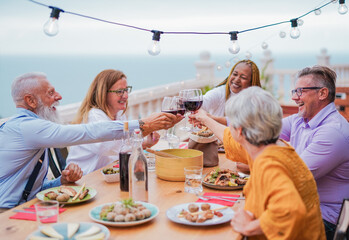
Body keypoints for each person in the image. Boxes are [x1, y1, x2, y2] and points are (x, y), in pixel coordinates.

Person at [0, 72, 180, 211]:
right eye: (51, 92)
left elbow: (32, 189)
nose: (59, 96)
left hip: (30, 206)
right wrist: (143, 124)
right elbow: (89, 132)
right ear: (30, 100)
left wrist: (60, 181)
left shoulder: (31, 130)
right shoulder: (27, 127)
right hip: (7, 214)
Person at [193, 87, 325, 239]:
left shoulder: (269, 163)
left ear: (240, 130)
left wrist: (249, 228)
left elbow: (292, 210)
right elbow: (230, 138)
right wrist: (204, 119)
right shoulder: (270, 146)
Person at [280, 65, 349, 240]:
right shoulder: (301, 119)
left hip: (324, 219)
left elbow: (292, 177)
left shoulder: (332, 132)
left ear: (322, 93)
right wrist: (212, 120)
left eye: (301, 91)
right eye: (295, 91)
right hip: (302, 204)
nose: (295, 97)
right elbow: (263, 128)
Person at [66, 69, 160, 175]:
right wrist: (145, 128)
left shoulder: (119, 114)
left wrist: (145, 143)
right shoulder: (94, 117)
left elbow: (124, 145)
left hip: (104, 175)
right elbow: (110, 148)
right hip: (85, 177)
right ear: (103, 93)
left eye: (126, 90)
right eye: (119, 91)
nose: (125, 96)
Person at [201, 59, 261, 125]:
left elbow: (241, 122)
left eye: (243, 77)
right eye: (235, 74)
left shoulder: (255, 101)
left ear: (251, 82)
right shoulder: (220, 92)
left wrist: (210, 119)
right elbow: (204, 101)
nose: (237, 79)